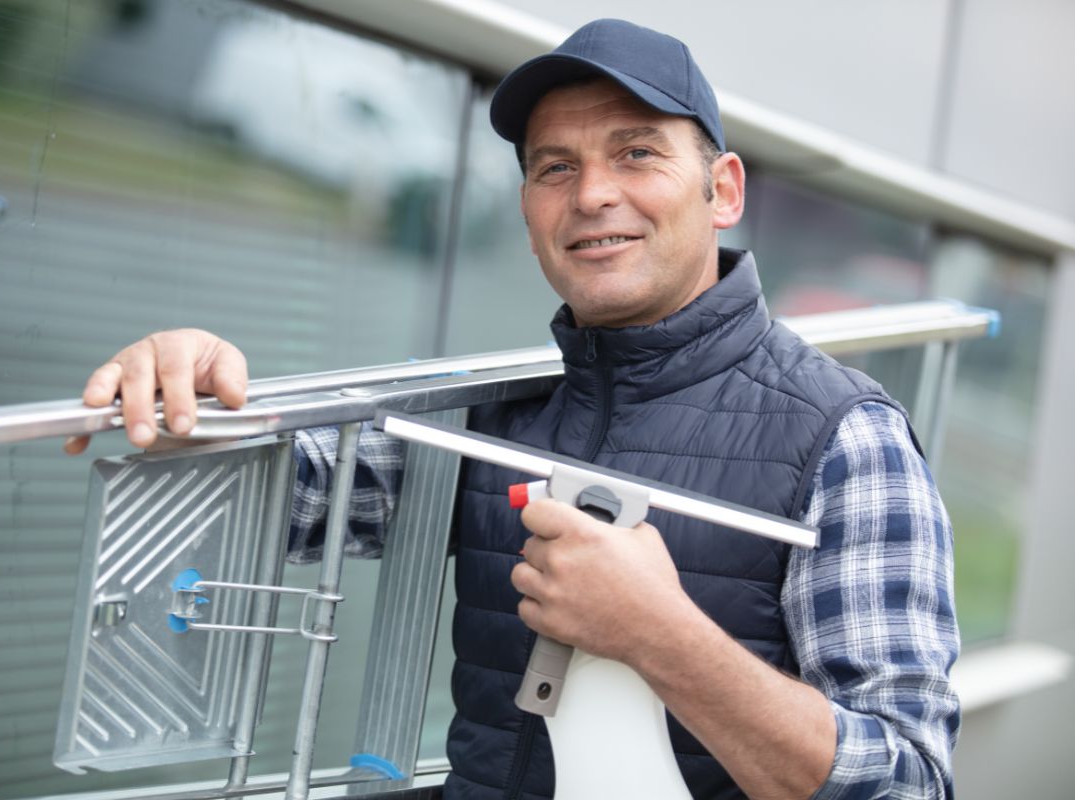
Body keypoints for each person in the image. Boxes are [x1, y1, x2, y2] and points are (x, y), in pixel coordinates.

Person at [67, 19, 959, 800]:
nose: (592, 194)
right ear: (530, 206)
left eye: (636, 152)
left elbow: (907, 781)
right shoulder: (484, 418)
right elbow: (277, 505)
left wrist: (662, 636)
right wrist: (193, 388)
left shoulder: (843, 439)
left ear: (721, 190)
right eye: (553, 167)